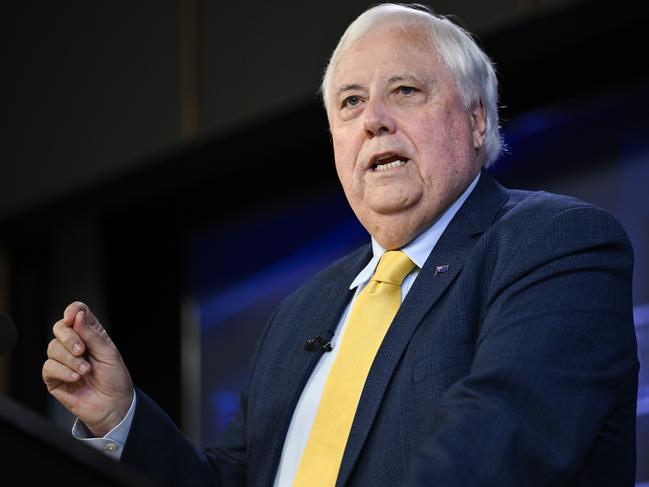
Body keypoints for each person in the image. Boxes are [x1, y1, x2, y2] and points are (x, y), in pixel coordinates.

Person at [42, 4, 638, 486]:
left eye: (404, 90)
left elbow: (494, 453)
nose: (373, 118)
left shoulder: (554, 242)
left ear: (477, 121)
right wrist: (121, 418)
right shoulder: (302, 312)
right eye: (351, 102)